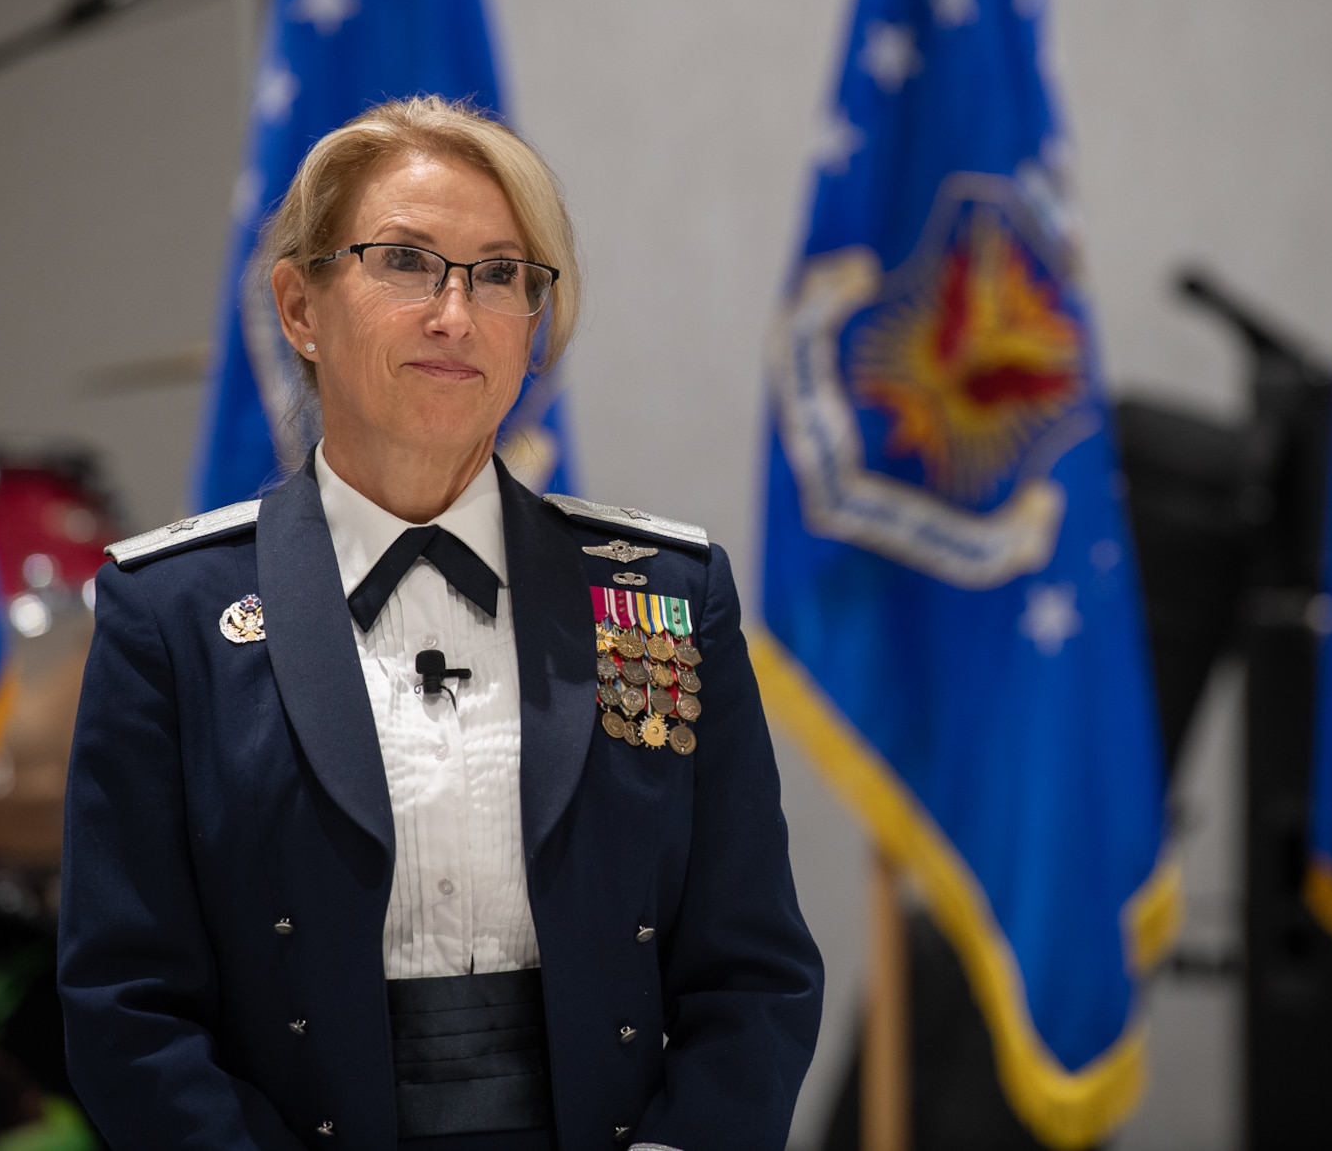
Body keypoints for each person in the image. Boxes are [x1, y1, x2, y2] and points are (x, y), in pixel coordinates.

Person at [58, 96, 823, 1151]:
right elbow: (126, 1004)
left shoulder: (665, 595)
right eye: (407, 262)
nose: (455, 314)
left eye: (500, 274)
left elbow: (753, 970)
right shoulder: (170, 614)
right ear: (299, 307)